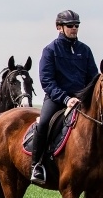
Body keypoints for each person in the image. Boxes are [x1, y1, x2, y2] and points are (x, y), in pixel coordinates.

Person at [30, 10, 98, 185]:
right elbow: (46, 81)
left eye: (76, 25)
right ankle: (36, 165)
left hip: (82, 100)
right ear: (59, 27)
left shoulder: (85, 50)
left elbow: (93, 78)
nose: (74, 29)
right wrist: (66, 99)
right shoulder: (50, 50)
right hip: (57, 98)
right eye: (70, 26)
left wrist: (87, 97)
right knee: (44, 122)